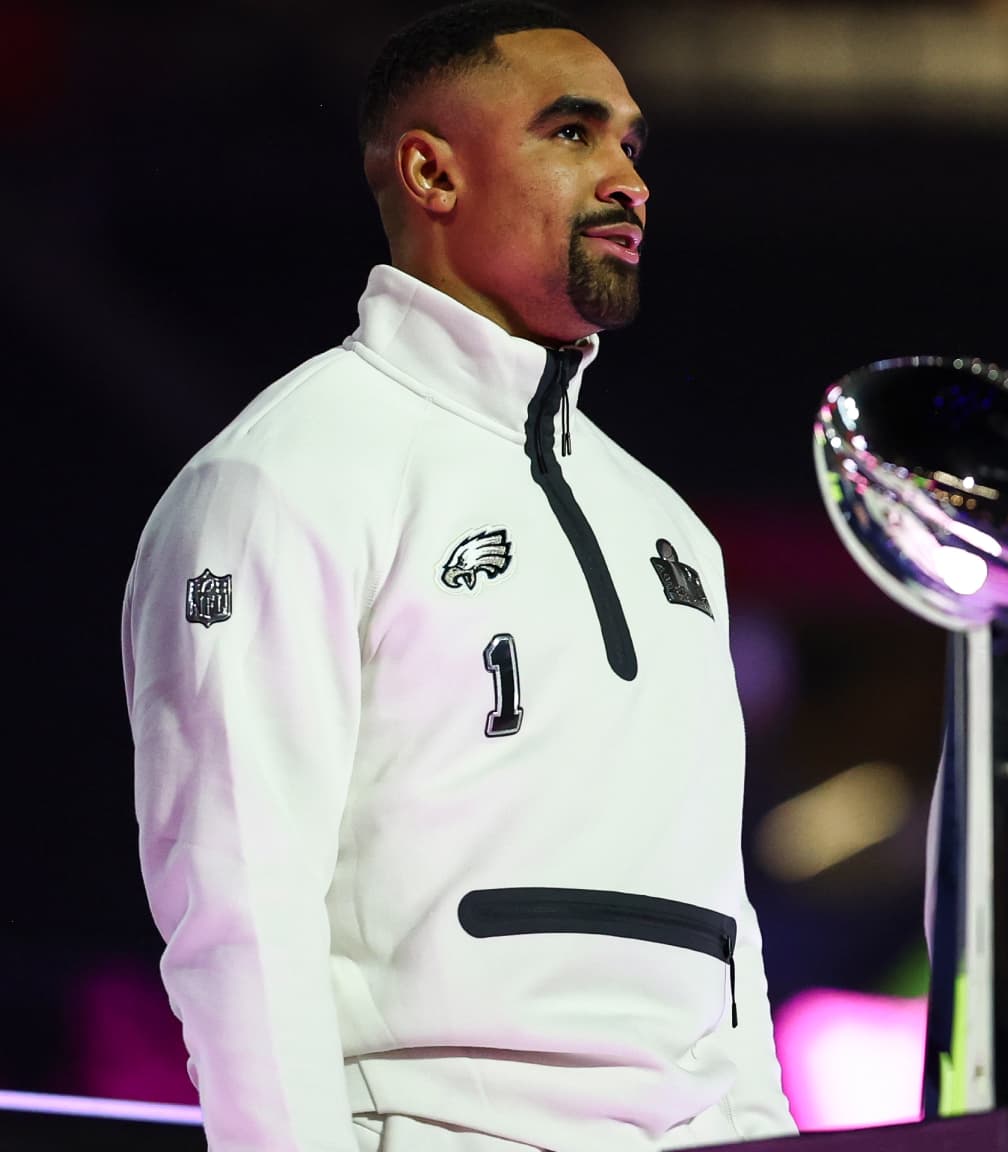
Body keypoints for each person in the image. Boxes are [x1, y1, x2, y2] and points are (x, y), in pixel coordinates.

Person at [120, 3, 794, 1149]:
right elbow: (238, 910)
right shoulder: (283, 477)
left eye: (633, 145)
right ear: (432, 172)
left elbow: (724, 918)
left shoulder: (668, 526)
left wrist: (762, 1128)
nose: (628, 179)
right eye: (574, 135)